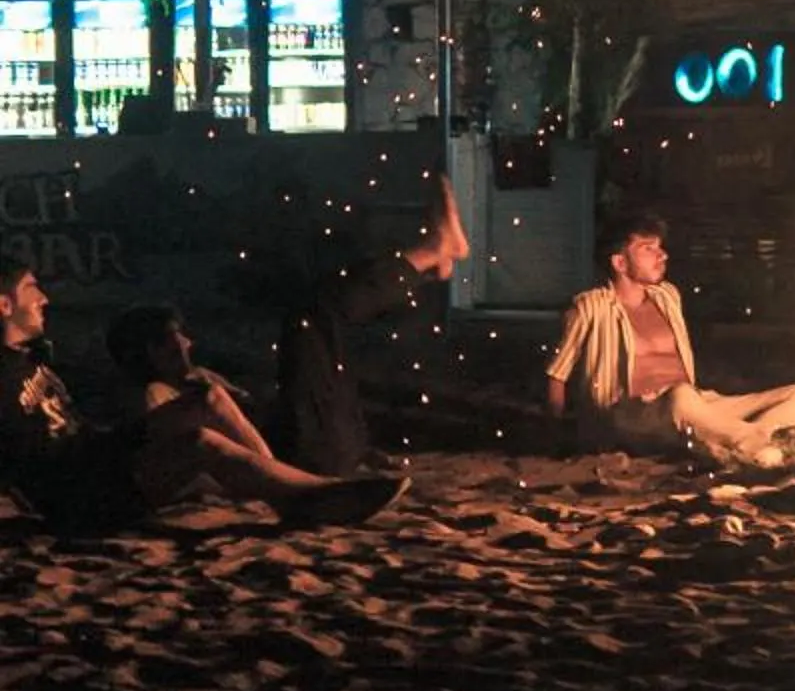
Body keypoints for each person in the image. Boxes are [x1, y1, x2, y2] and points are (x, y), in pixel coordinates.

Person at [0, 268, 401, 533]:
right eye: (31, 288)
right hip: (79, 492)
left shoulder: (29, 358)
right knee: (201, 443)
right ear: (4, 304)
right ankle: (307, 495)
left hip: (96, 453)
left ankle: (293, 492)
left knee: (209, 398)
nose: (44, 298)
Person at [546, 215, 795, 466]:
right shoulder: (591, 307)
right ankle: (752, 443)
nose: (662, 255)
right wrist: (564, 435)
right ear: (619, 262)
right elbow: (557, 374)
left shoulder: (667, 296)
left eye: (660, 247)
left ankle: (754, 438)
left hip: (693, 405)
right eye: (648, 248)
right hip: (631, 416)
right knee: (681, 396)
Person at [273, 171, 467, 478]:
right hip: (315, 454)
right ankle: (429, 255)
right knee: (315, 314)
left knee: (318, 316)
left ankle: (426, 262)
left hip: (324, 443)